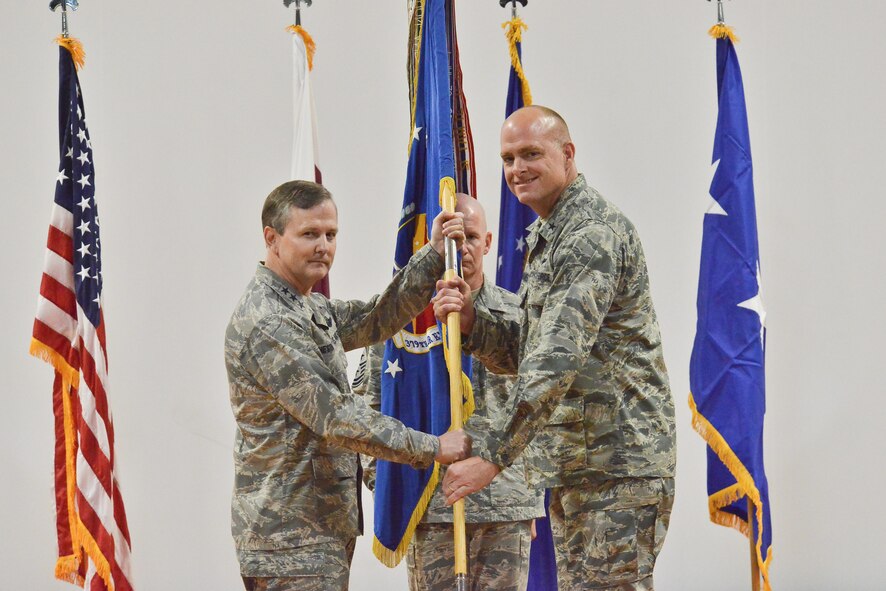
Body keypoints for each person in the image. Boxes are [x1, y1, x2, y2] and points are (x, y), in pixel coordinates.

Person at [433, 106, 677, 590]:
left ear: (567, 155)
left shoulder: (590, 235)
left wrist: (494, 457)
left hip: (617, 465)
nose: (517, 169)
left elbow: (554, 362)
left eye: (530, 154)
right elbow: (527, 350)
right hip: (580, 465)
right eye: (507, 158)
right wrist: (473, 318)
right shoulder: (550, 234)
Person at [225, 180, 470, 591]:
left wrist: (432, 255)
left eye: (330, 234)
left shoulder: (305, 306)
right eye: (309, 234)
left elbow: (378, 316)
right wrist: (433, 446)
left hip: (315, 531)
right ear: (272, 238)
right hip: (290, 539)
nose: (324, 246)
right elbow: (336, 416)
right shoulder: (268, 320)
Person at [353, 194, 545, 591]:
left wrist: (529, 494)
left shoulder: (519, 318)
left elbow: (542, 406)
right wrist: (393, 483)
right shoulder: (403, 324)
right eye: (454, 238)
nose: (463, 248)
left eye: (471, 237)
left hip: (505, 508)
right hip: (432, 507)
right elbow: (369, 409)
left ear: (489, 242)